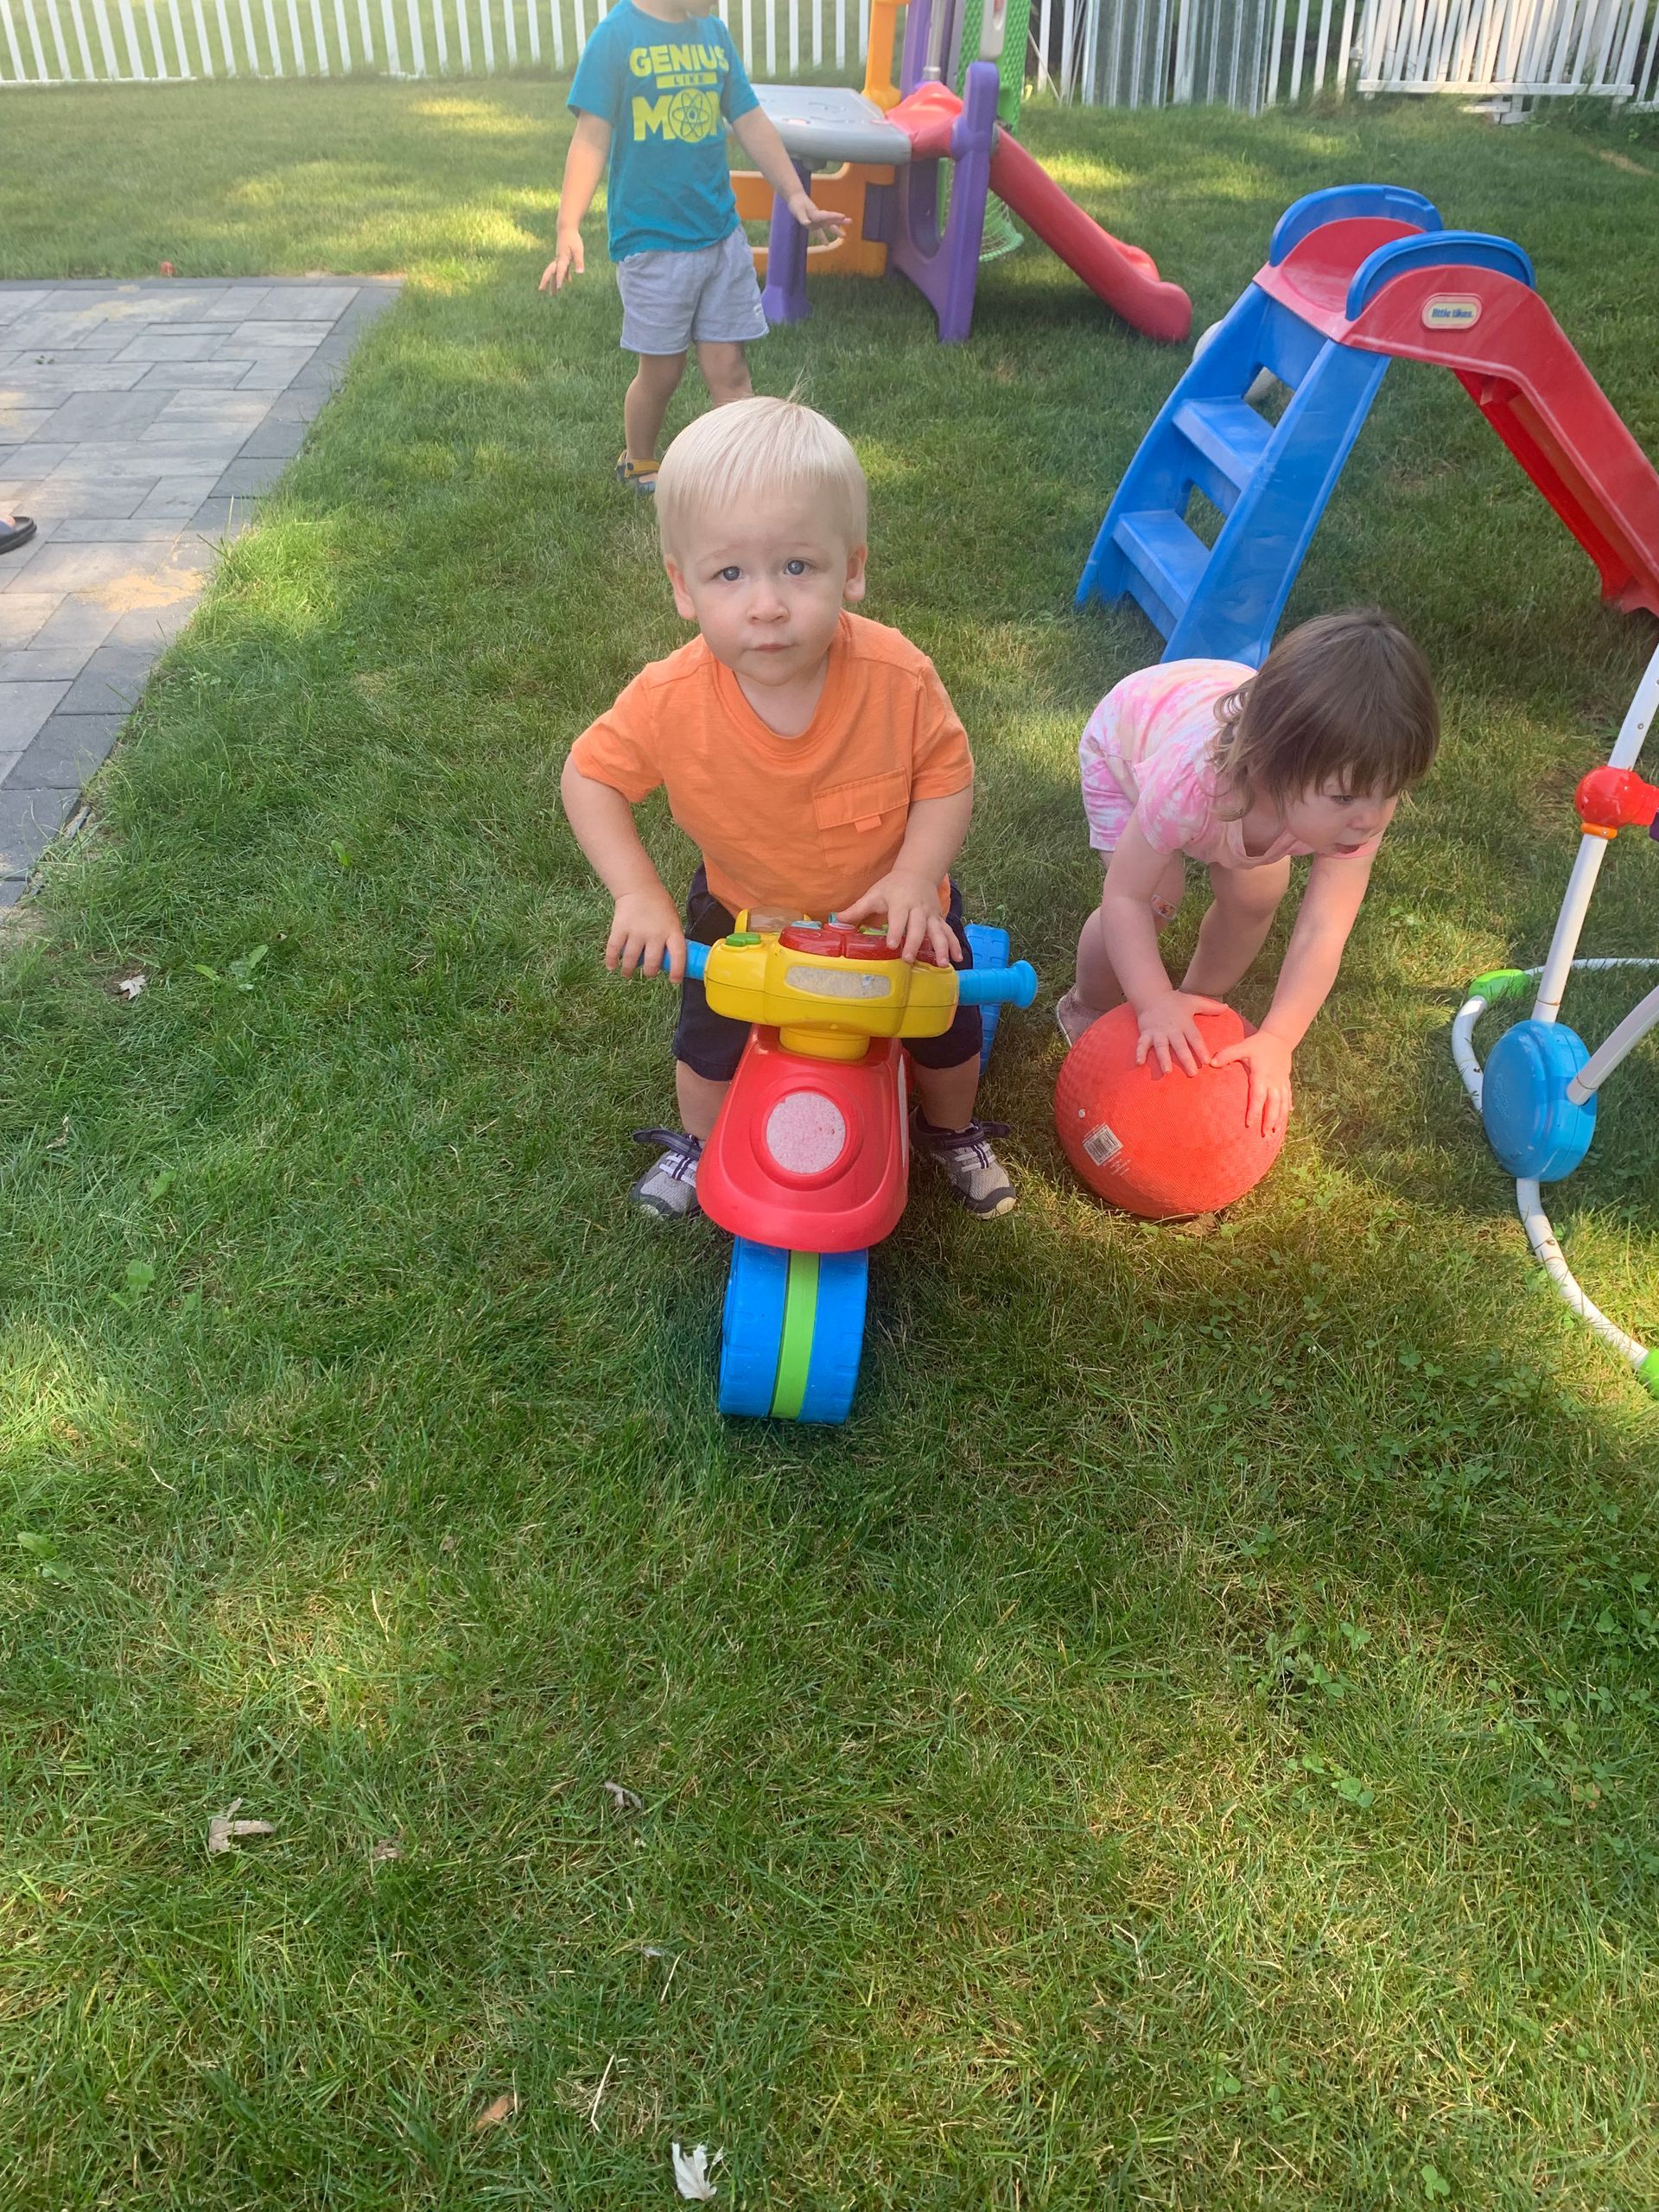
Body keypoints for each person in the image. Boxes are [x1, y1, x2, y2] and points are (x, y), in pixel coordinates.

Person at [561, 395, 1016, 1221]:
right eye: (729, 573)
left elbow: (947, 774)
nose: (765, 604)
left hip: (892, 917)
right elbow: (589, 777)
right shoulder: (669, 700)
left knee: (945, 1031)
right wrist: (637, 892)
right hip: (742, 916)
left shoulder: (898, 677)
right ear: (682, 586)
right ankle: (701, 1144)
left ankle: (952, 1129)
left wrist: (917, 878)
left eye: (797, 568)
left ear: (853, 568)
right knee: (708, 1047)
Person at [1058, 611, 1440, 1140]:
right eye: (1346, 796)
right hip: (1131, 745)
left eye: (1389, 792)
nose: (1370, 819)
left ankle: (1201, 998)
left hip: (1251, 781)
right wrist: (1151, 1002)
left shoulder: (1347, 812)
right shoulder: (1190, 785)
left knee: (1258, 891)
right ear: (1272, 770)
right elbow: (1123, 894)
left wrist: (1279, 1038)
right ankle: (1089, 1005)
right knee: (1156, 899)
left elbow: (1323, 930)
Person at [541, 0, 847, 496]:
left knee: (730, 370)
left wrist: (795, 194)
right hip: (653, 243)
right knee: (662, 372)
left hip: (720, 236)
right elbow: (592, 137)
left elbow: (749, 119)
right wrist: (568, 224)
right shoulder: (616, 37)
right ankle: (638, 459)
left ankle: (745, 472)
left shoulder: (713, 34)